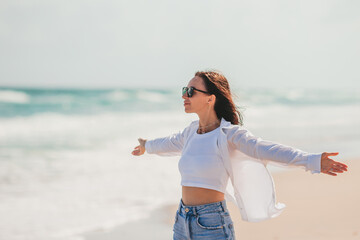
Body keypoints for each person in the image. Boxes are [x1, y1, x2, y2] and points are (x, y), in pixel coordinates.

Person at [131, 70, 348, 240]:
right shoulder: (190, 132)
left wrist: (311, 160)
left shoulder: (229, 134)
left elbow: (266, 148)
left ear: (210, 99)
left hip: (211, 222)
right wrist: (145, 145)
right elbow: (166, 144)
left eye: (191, 91)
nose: (184, 95)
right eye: (184, 90)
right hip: (181, 219)